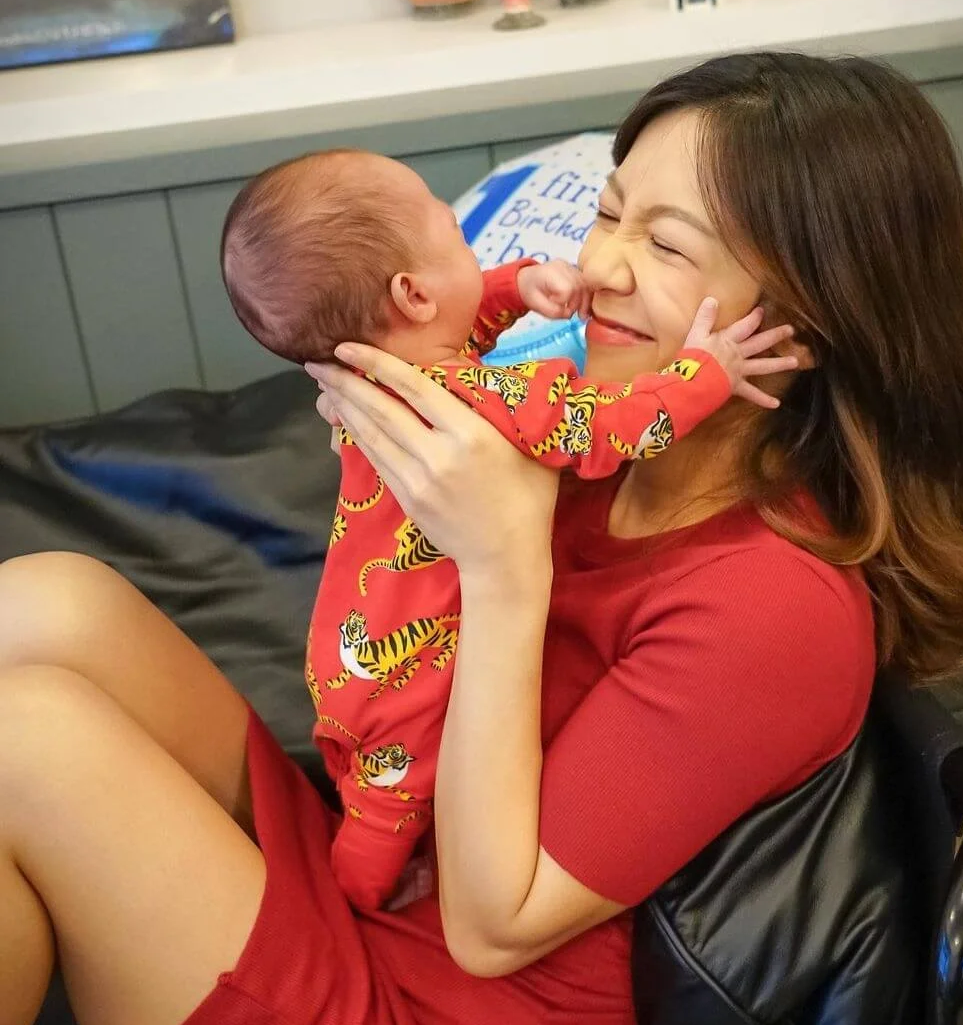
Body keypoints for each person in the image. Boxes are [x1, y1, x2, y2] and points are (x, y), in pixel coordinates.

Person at [0, 51, 963, 1025]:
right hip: (380, 903)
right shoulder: (607, 440)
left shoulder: (773, 610)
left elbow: (493, 927)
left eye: (667, 243)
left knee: (28, 741)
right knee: (47, 602)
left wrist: (501, 566)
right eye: (609, 209)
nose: (601, 265)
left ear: (810, 316)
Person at [219, 148, 796, 911]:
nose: (601, 266)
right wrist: (707, 371)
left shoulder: (376, 378)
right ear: (412, 292)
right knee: (382, 817)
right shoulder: (493, 401)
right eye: (454, 233)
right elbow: (607, 429)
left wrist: (513, 287)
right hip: (405, 674)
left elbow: (441, 328)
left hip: (348, 653)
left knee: (368, 791)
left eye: (663, 242)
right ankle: (350, 905)